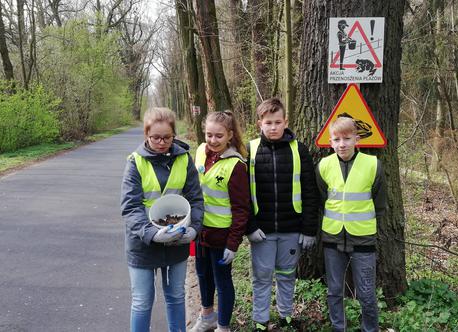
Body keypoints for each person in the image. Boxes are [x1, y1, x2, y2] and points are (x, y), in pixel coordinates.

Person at [121, 108, 204, 332]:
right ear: (146, 135)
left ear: (174, 135)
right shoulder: (135, 162)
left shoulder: (184, 159)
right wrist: (152, 233)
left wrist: (194, 228)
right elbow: (130, 207)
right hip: (143, 244)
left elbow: (196, 199)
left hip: (177, 240)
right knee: (142, 301)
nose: (161, 142)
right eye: (155, 137)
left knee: (176, 296)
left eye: (167, 137)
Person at [246, 98, 319, 331]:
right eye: (268, 122)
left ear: (286, 121)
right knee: (262, 276)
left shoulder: (299, 150)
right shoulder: (250, 149)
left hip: (292, 229)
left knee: (287, 275)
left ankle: (286, 315)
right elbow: (242, 193)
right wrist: (250, 226)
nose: (274, 127)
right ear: (260, 123)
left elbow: (310, 191)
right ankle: (260, 319)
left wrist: (309, 229)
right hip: (262, 231)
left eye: (278, 122)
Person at [316, 117, 387, 332]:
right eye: (337, 139)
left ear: (357, 139)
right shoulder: (323, 165)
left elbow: (380, 202)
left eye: (347, 138)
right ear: (330, 142)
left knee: (366, 293)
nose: (342, 144)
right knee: (334, 291)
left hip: (363, 239)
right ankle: (339, 328)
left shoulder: (373, 164)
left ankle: (370, 329)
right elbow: (321, 199)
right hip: (332, 239)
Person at [190, 111, 250, 332]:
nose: (213, 140)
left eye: (218, 136)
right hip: (199, 232)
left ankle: (223, 326)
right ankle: (207, 316)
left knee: (222, 281)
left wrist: (233, 244)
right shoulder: (199, 152)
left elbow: (242, 209)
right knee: (202, 274)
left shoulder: (236, 166)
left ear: (230, 136)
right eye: (209, 135)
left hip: (221, 236)